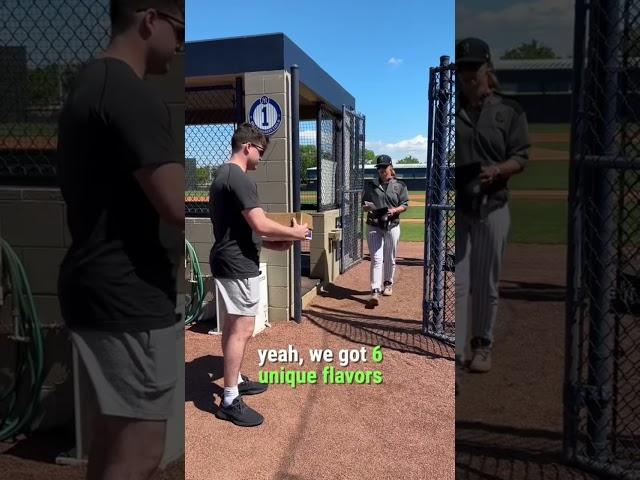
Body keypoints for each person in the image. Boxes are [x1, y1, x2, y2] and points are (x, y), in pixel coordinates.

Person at [55, 1, 185, 479]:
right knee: (142, 450)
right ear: (150, 20)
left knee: (113, 442)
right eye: (178, 30)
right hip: (128, 292)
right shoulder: (133, 95)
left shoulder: (86, 85)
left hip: (94, 283)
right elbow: (174, 205)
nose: (180, 45)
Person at [210, 123, 309, 427]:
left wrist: (277, 242)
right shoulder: (238, 178)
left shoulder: (222, 175)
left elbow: (243, 228)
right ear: (247, 147)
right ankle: (229, 399)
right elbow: (260, 224)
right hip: (237, 264)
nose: (261, 159)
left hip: (230, 259)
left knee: (233, 323)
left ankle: (235, 380)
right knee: (243, 327)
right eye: (260, 152)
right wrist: (295, 232)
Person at [455, 37, 530, 373]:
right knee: (459, 282)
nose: (468, 75)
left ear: (487, 68)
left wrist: (498, 170)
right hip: (460, 209)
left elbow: (521, 156)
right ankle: (456, 350)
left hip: (493, 206)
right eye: (462, 69)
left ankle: (482, 345)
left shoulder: (509, 110)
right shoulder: (451, 112)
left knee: (486, 283)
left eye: (473, 68)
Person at [362, 154, 409, 307]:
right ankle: (375, 290)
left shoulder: (399, 185)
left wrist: (395, 210)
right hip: (374, 224)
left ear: (390, 167)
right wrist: (367, 207)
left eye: (384, 167)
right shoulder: (370, 185)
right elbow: (363, 205)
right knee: (376, 258)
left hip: (392, 225)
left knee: (389, 257)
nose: (382, 170)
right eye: (379, 168)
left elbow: (405, 204)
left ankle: (388, 284)